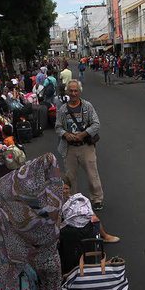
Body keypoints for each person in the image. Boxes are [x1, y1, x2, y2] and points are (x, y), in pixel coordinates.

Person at [0, 153, 72, 290]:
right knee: (53, 288)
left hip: (24, 259)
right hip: (48, 257)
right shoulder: (51, 200)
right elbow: (56, 222)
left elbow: (1, 202)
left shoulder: (17, 197)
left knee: (31, 289)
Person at [55, 80, 104, 211]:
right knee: (70, 176)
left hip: (85, 146)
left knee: (92, 174)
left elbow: (96, 124)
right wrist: (65, 134)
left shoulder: (87, 106)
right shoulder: (63, 109)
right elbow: (58, 127)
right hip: (69, 147)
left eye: (76, 90)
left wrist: (83, 134)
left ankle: (97, 198)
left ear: (80, 91)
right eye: (70, 91)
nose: (73, 93)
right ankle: (73, 199)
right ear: (67, 92)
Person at [59, 175, 119, 274]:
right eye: (62, 189)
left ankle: (105, 236)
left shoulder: (75, 198)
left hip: (79, 223)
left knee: (93, 217)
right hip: (67, 225)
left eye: (66, 188)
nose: (65, 191)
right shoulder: (55, 201)